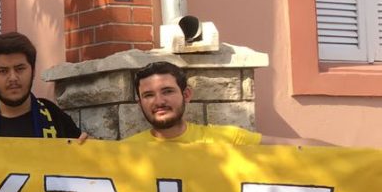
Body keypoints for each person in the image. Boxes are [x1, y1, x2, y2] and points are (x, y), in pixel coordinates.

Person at [127, 61, 324, 145]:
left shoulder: (225, 140)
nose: (159, 101)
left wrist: (344, 156)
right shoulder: (126, 151)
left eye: (167, 91)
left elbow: (292, 146)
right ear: (140, 103)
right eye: (149, 95)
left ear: (186, 95)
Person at [0, 32, 86, 140]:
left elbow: (82, 157)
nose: (13, 78)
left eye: (20, 69)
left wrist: (87, 147)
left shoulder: (56, 118)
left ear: (33, 71)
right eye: (3, 71)